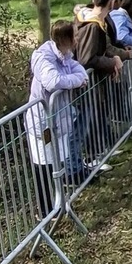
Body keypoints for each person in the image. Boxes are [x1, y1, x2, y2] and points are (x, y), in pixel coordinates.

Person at [25, 20, 88, 211]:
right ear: (65, 38)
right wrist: (77, 81)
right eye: (75, 36)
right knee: (43, 166)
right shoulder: (44, 58)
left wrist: (76, 79)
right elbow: (53, 81)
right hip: (43, 122)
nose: (78, 39)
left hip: (58, 119)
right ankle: (45, 210)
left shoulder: (65, 54)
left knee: (57, 163)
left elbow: (80, 71)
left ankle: (60, 204)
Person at [73, 0, 127, 77]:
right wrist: (112, 62)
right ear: (111, 2)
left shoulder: (99, 21)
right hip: (89, 80)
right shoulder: (91, 26)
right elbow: (86, 59)